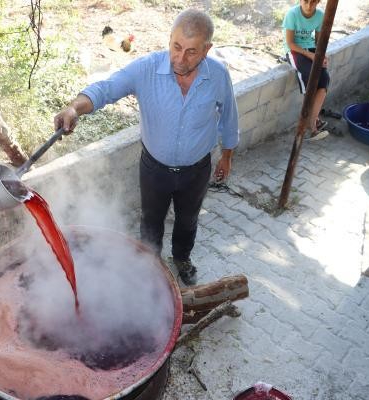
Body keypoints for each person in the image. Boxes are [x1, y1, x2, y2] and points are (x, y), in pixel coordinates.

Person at [54, 9, 239, 286]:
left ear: (206, 49)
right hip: (154, 169)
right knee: (151, 221)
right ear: (169, 39)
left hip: (196, 170)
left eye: (191, 52)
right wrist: (73, 107)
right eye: (176, 47)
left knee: (188, 221)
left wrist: (227, 156)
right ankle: (148, 265)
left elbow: (229, 117)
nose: (180, 58)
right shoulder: (146, 69)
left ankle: (182, 258)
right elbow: (106, 89)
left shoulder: (218, 76)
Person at [283, 0, 330, 140]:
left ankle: (314, 119)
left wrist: (322, 56)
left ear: (319, 2)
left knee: (324, 78)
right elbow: (290, 43)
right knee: (310, 76)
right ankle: (313, 126)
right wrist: (310, 55)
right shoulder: (292, 14)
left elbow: (318, 41)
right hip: (294, 50)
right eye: (306, 1)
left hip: (310, 48)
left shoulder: (320, 15)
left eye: (313, 2)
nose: (309, 6)